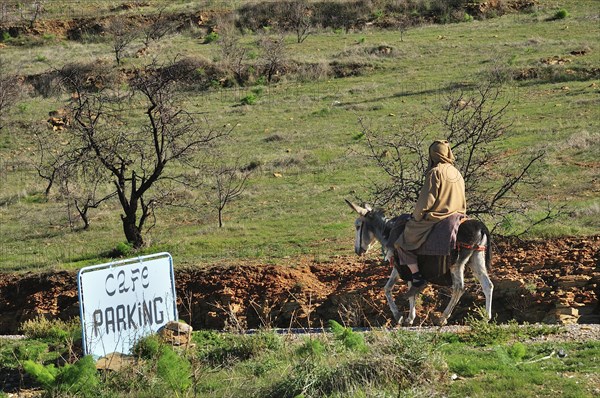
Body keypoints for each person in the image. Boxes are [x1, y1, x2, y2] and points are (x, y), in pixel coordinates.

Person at [395, 140, 466, 296]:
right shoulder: (456, 172)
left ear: (433, 154)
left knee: (403, 241)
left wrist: (416, 216)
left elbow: (427, 200)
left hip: (438, 216)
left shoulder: (435, 172)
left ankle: (417, 277)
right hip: (458, 214)